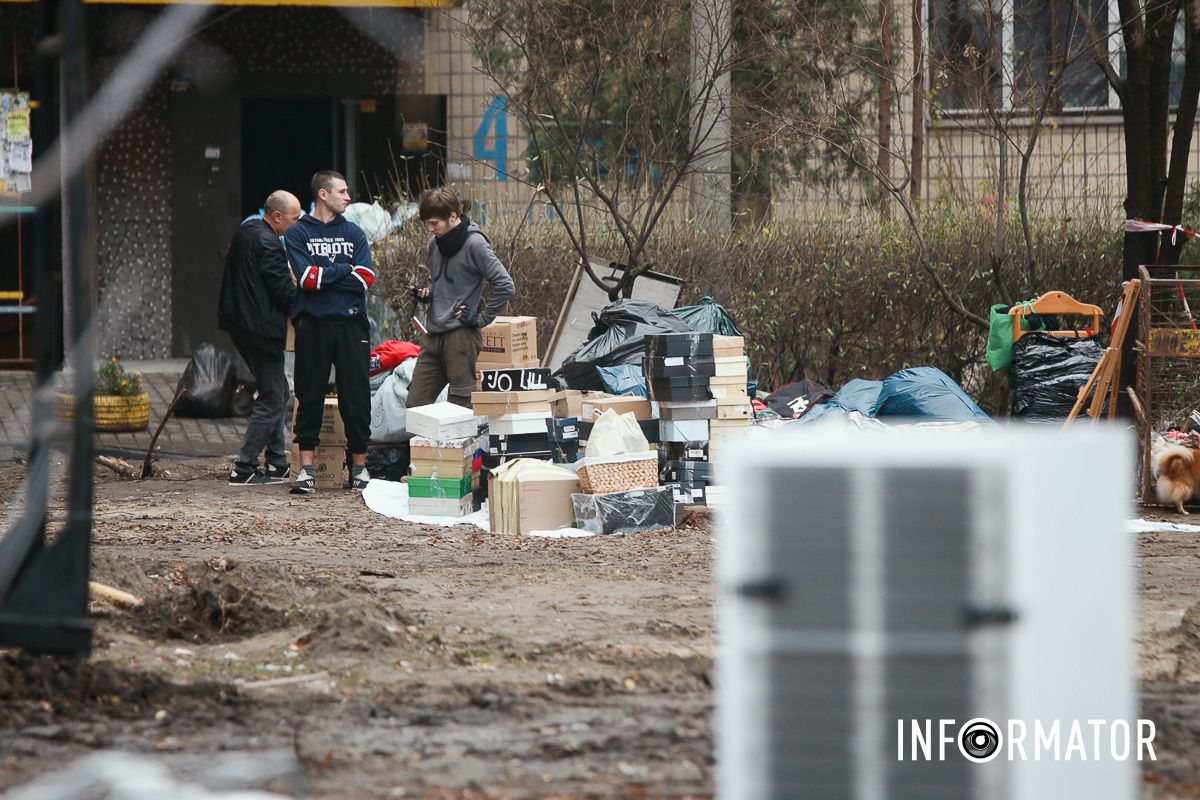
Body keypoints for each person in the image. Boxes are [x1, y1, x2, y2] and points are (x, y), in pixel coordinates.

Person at [285, 170, 375, 494]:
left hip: (352, 325)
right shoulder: (298, 233)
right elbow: (306, 278)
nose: (348, 197)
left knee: (357, 398)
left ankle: (359, 469)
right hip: (313, 325)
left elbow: (366, 278)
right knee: (309, 397)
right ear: (323, 194)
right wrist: (343, 270)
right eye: (343, 191)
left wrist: (327, 275)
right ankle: (306, 471)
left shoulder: (355, 233)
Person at [217, 190, 302, 485]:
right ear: (277, 217)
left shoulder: (247, 232)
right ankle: (244, 467)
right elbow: (284, 291)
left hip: (242, 326)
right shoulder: (268, 244)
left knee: (278, 390)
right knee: (273, 396)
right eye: (295, 219)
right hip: (262, 330)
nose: (297, 224)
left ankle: (277, 462)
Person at [407, 188, 515, 409]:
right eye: (427, 223)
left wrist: (480, 318)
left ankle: (461, 445)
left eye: (435, 223)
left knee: (458, 407)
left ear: (453, 216)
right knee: (415, 405)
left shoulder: (475, 244)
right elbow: (448, 284)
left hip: (461, 336)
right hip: (433, 336)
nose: (430, 229)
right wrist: (428, 295)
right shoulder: (433, 245)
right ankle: (424, 446)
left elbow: (506, 285)